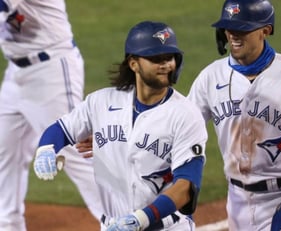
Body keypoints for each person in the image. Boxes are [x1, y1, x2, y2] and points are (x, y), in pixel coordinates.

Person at [33, 21, 208, 231]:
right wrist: (46, 149)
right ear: (134, 64)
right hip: (113, 226)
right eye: (155, 59)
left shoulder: (186, 115)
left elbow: (186, 187)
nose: (165, 65)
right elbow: (61, 130)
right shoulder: (101, 102)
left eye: (169, 58)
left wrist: (141, 219)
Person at [187, 0, 281, 230]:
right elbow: (184, 132)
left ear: (265, 31)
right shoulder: (210, 78)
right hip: (236, 199)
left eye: (242, 29)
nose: (234, 36)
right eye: (229, 28)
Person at [0, 1, 104, 230]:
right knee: (6, 151)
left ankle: (121, 221)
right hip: (15, 71)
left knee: (76, 150)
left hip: (51, 69)